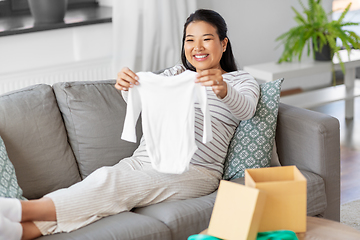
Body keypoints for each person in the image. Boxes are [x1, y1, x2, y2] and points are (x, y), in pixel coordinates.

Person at [0, 9, 260, 240]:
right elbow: (146, 100)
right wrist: (129, 87)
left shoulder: (241, 81)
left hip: (195, 170)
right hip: (146, 158)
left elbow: (246, 110)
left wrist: (223, 90)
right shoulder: (175, 75)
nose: (197, 47)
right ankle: (24, 232)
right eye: (190, 40)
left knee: (111, 183)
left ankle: (21, 210)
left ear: (223, 44)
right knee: (101, 185)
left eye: (206, 39)